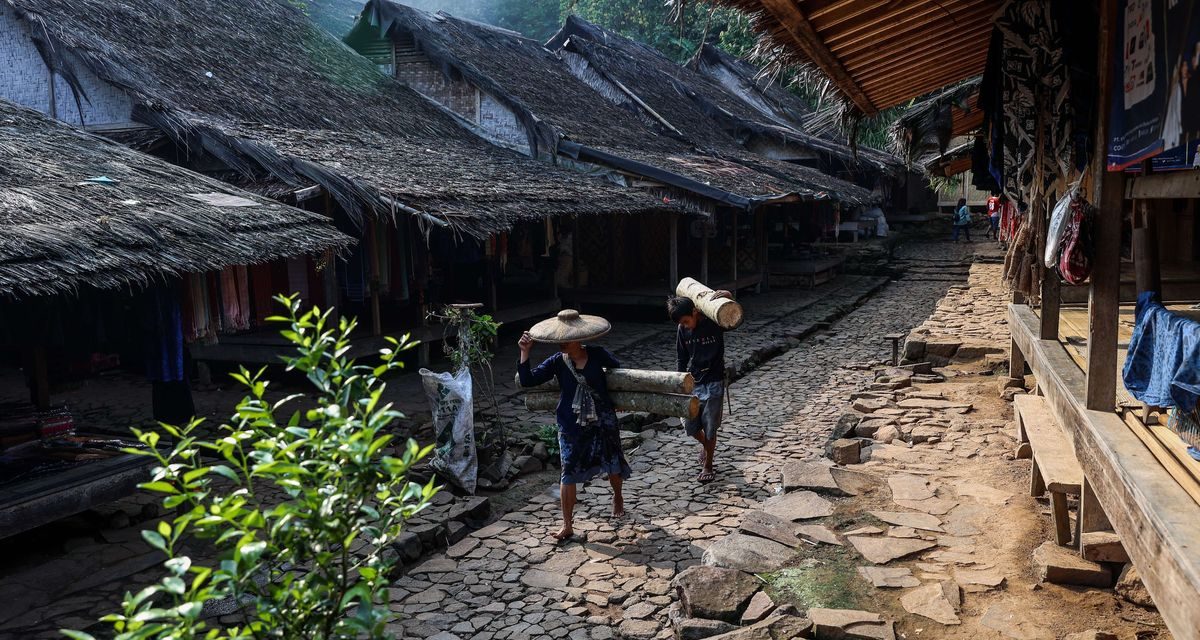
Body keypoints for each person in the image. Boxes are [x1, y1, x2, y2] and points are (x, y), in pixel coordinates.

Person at [518, 309, 631, 541]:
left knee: (612, 462)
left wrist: (617, 401)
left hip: (602, 419)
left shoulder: (598, 355)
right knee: (567, 472)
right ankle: (567, 524)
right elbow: (528, 380)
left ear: (579, 339)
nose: (562, 344)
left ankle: (617, 495)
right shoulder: (557, 362)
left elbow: (618, 373)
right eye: (560, 340)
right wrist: (524, 352)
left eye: (567, 340)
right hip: (570, 423)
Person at [667, 291, 732, 484]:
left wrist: (728, 296)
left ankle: (708, 465)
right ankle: (706, 446)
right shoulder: (682, 330)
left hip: (714, 380)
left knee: (710, 426)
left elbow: (733, 317)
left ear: (695, 312)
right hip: (693, 381)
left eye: (686, 321)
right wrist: (679, 381)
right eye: (681, 323)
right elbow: (681, 357)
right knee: (690, 425)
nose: (685, 325)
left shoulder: (714, 322)